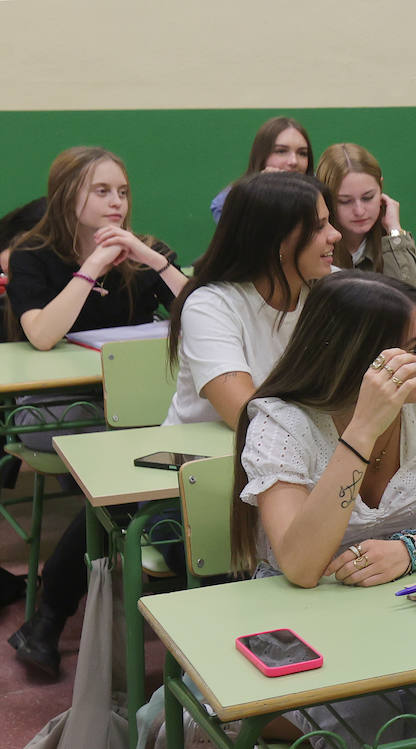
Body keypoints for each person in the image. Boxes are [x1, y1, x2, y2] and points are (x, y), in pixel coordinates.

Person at [233, 270, 416, 742]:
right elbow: (302, 567)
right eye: (412, 348)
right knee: (368, 727)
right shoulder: (282, 420)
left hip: (401, 593)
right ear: (354, 358)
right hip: (301, 609)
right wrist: (364, 428)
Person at [5, 147, 188, 677]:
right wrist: (90, 267)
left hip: (135, 411)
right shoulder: (32, 255)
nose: (116, 203)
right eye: (101, 191)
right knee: (121, 480)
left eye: (123, 192)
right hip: (56, 410)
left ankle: (47, 616)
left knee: (127, 480)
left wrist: (153, 262)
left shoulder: (144, 251)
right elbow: (40, 333)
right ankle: (52, 614)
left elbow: (202, 312)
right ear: (68, 196)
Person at [166, 170, 340, 427]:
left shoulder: (332, 289)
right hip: (202, 460)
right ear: (277, 241)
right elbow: (246, 415)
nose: (335, 234)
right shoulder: (210, 307)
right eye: (318, 226)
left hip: (295, 454)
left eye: (329, 222)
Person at [315, 142, 416, 292]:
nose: (359, 211)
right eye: (345, 201)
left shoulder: (391, 242)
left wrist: (395, 232)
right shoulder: (314, 245)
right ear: (326, 200)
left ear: (380, 189)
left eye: (368, 197)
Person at [209, 116, 313, 222]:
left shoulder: (318, 191)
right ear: (262, 156)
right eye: (281, 151)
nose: (294, 161)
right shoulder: (228, 201)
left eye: (302, 153)